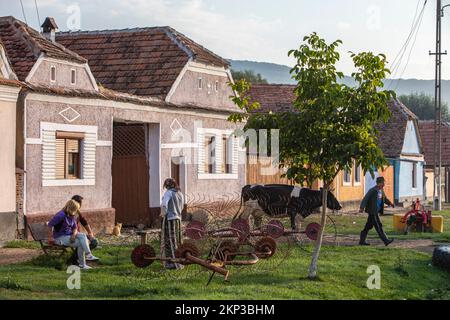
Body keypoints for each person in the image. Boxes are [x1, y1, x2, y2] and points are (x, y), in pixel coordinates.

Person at [47, 200, 99, 270]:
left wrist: (74, 235)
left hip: (69, 235)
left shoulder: (72, 215)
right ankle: (84, 262)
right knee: (81, 243)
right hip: (60, 237)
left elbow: (75, 228)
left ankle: (86, 258)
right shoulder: (60, 215)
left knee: (83, 236)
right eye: (75, 209)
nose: (77, 211)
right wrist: (50, 238)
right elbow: (49, 225)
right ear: (71, 208)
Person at [359, 177, 395, 246]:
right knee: (379, 226)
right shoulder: (372, 190)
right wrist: (362, 207)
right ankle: (386, 240)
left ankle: (362, 241)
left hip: (376, 212)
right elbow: (365, 199)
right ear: (379, 183)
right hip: (372, 211)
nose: (384, 184)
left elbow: (384, 199)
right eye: (383, 183)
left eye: (384, 183)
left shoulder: (381, 191)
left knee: (367, 227)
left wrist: (390, 203)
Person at [160, 178, 184, 270]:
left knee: (169, 241)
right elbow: (181, 207)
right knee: (177, 240)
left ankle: (172, 263)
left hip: (170, 220)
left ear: (167, 186)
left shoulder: (168, 193)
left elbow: (164, 204)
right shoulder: (180, 193)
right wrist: (177, 212)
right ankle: (180, 261)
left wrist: (163, 214)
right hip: (178, 220)